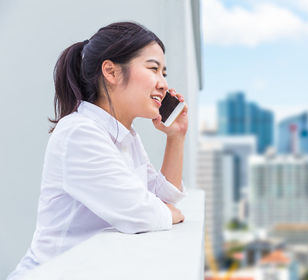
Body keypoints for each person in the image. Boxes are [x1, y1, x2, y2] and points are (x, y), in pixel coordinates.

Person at [7, 21, 188, 279]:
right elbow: (142, 213)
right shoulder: (79, 133)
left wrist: (176, 137)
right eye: (153, 69)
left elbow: (163, 199)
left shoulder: (126, 137)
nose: (163, 84)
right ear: (111, 72)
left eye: (164, 73)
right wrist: (163, 211)